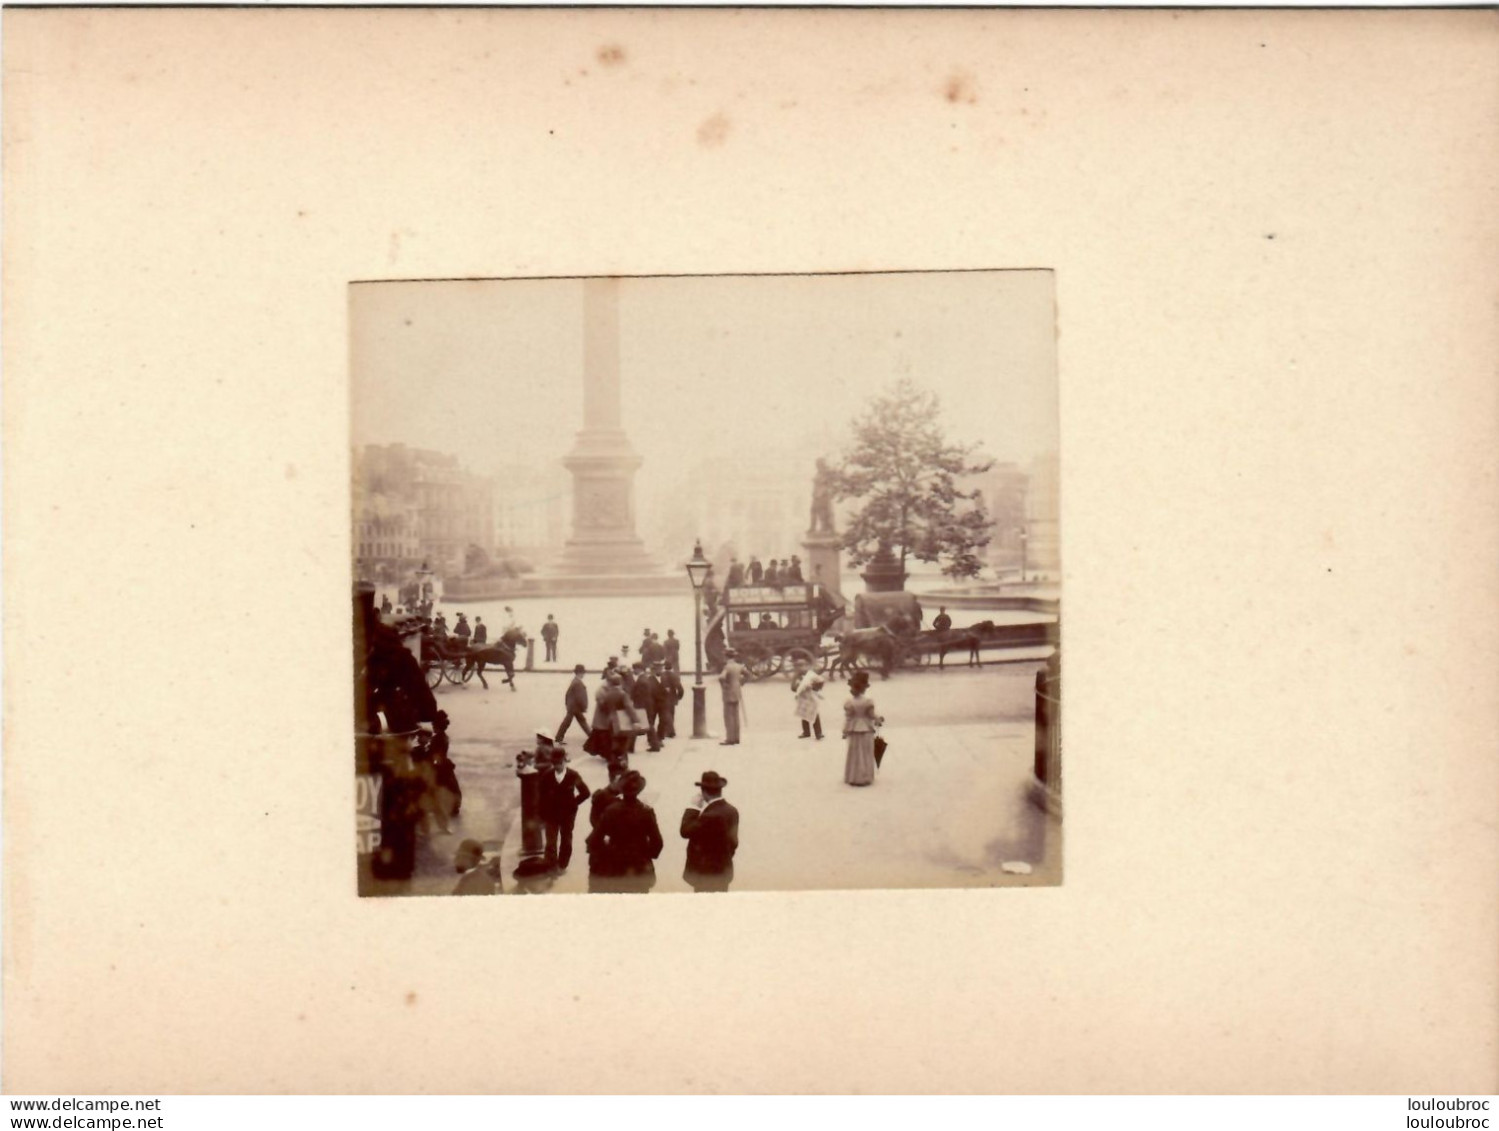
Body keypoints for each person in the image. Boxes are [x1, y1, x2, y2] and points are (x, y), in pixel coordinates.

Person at [586, 770, 663, 894]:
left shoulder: (611, 811)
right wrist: (644, 854)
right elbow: (657, 843)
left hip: (615, 867)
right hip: (639, 869)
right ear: (639, 791)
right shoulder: (646, 812)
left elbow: (594, 839)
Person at [680, 771, 739, 893]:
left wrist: (693, 807)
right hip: (724, 870)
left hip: (706, 875)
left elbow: (685, 831)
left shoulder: (709, 816)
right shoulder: (732, 810)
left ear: (703, 792)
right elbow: (734, 843)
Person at [539, 747, 592, 873]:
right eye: (555, 763)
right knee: (551, 842)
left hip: (568, 814)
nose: (557, 766)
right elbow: (541, 797)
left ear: (565, 760)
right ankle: (551, 865)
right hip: (551, 814)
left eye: (560, 763)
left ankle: (563, 865)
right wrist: (542, 815)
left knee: (566, 839)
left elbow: (585, 793)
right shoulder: (546, 776)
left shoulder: (573, 775)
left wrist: (574, 803)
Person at [590, 671, 640, 775]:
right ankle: (624, 765)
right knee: (624, 745)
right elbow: (629, 708)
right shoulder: (622, 694)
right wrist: (636, 720)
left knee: (614, 744)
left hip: (611, 722)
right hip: (622, 722)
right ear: (620, 682)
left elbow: (603, 706)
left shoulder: (608, 694)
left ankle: (613, 765)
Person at [842, 671, 883, 787]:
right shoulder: (868, 702)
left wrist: (845, 731)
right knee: (865, 752)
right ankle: (865, 777)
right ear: (864, 688)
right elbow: (872, 715)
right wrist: (878, 719)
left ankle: (853, 777)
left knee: (854, 753)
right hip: (866, 728)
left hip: (854, 729)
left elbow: (848, 718)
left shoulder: (849, 702)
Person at [556, 663, 591, 743]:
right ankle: (558, 738)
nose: (583, 675)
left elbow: (567, 694)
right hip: (575, 707)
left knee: (578, 721)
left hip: (572, 706)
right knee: (575, 722)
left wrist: (567, 704)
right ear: (580, 673)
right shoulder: (578, 683)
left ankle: (558, 738)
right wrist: (584, 707)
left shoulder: (574, 681)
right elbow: (580, 697)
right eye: (583, 673)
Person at [790, 658, 825, 740]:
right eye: (798, 667)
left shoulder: (811, 675)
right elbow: (792, 688)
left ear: (807, 666)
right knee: (804, 714)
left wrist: (813, 686)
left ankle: (818, 733)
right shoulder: (796, 676)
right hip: (803, 698)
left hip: (812, 697)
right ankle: (806, 732)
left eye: (803, 666)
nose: (801, 668)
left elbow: (820, 684)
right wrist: (798, 686)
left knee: (814, 713)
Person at [632, 662, 662, 752]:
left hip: (642, 706)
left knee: (641, 726)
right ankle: (655, 745)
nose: (634, 671)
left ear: (639, 669)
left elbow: (640, 695)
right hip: (647, 706)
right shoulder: (644, 678)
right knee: (648, 726)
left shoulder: (641, 680)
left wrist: (637, 707)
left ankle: (630, 747)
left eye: (635, 669)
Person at [718, 648, 745, 746]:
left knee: (728, 717)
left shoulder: (727, 667)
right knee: (736, 716)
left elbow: (721, 678)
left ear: (726, 656)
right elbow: (748, 675)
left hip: (728, 694)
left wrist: (724, 686)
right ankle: (737, 738)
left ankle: (730, 738)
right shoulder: (739, 666)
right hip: (737, 693)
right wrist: (741, 682)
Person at [659, 661, 683, 740]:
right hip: (672, 698)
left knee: (666, 714)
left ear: (664, 667)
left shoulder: (662, 675)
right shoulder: (675, 676)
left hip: (664, 698)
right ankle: (670, 731)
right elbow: (680, 688)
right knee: (671, 714)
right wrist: (679, 697)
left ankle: (669, 731)